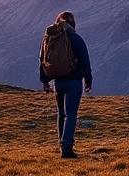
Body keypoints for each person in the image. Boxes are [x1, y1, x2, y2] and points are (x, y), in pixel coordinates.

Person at [39, 11, 92, 158]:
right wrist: (88, 80)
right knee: (71, 115)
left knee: (61, 114)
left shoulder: (49, 37)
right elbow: (84, 60)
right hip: (74, 81)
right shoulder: (75, 38)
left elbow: (42, 58)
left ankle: (61, 144)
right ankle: (66, 148)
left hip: (58, 82)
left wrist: (45, 81)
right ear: (72, 23)